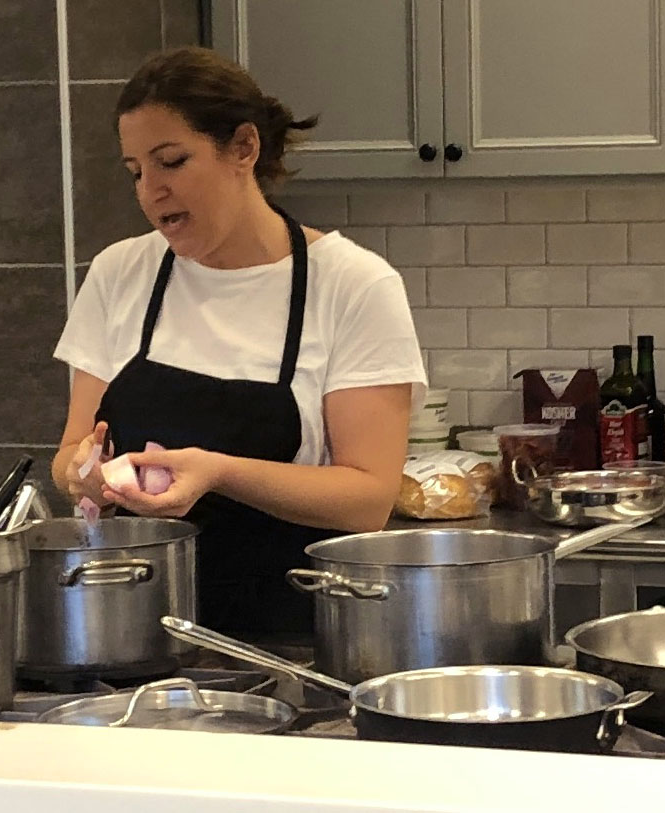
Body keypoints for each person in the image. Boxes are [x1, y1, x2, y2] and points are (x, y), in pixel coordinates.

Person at [51, 46, 426, 637]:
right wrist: (82, 474)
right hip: (125, 632)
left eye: (171, 162)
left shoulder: (354, 285)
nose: (150, 191)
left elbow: (368, 498)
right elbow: (71, 451)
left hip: (289, 644)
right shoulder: (119, 273)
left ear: (244, 148)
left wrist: (218, 472)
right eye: (135, 172)